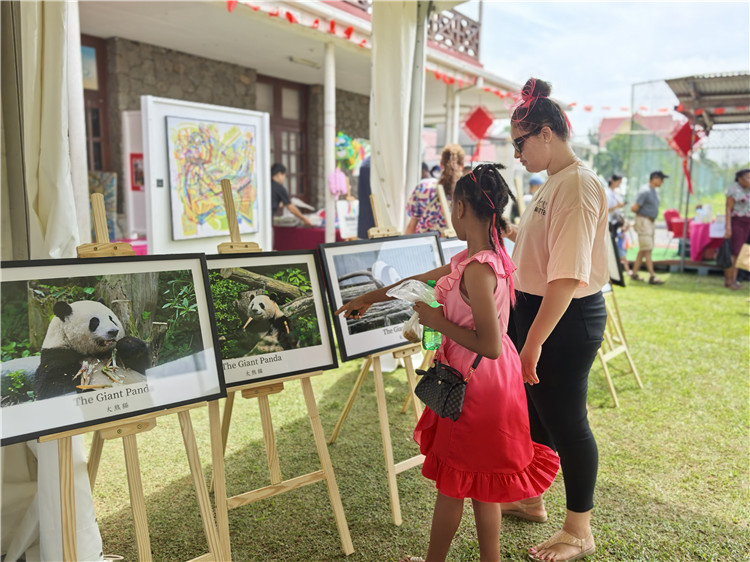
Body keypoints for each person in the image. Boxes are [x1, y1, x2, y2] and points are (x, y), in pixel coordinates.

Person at [336, 164, 559, 562]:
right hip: (494, 381)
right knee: (482, 483)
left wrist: (438, 322)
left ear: (459, 208)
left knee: (454, 485)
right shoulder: (485, 258)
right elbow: (417, 281)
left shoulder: (476, 269)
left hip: (475, 386)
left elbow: (489, 344)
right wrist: (369, 298)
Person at [503, 77, 608, 562]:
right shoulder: (555, 183)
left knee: (568, 422)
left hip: (562, 320)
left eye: (519, 143)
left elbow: (566, 277)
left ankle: (579, 531)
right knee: (538, 414)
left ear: (547, 133)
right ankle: (532, 498)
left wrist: (533, 342)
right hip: (539, 315)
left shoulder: (579, 185)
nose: (517, 153)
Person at [405, 144, 465, 234]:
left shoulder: (423, 188)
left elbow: (412, 226)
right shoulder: (466, 194)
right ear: (462, 166)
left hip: (425, 245)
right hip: (453, 246)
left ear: (441, 165)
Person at [629, 171, 667, 284]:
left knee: (643, 249)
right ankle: (652, 276)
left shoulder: (654, 191)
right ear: (654, 178)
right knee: (648, 249)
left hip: (650, 222)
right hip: (644, 221)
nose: (662, 181)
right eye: (661, 178)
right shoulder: (645, 191)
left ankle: (634, 273)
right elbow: (634, 208)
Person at [723, 168, 750, 290]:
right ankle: (728, 280)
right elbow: (728, 209)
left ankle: (735, 279)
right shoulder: (733, 191)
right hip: (737, 222)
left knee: (741, 252)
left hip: (747, 223)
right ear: (739, 178)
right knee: (734, 252)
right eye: (748, 177)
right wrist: (728, 227)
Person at [605, 174, 633, 277]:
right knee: (609, 246)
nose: (619, 184)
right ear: (613, 181)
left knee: (614, 247)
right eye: (618, 182)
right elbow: (606, 209)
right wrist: (618, 206)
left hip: (614, 223)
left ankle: (612, 271)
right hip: (608, 223)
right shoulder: (607, 193)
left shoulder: (614, 194)